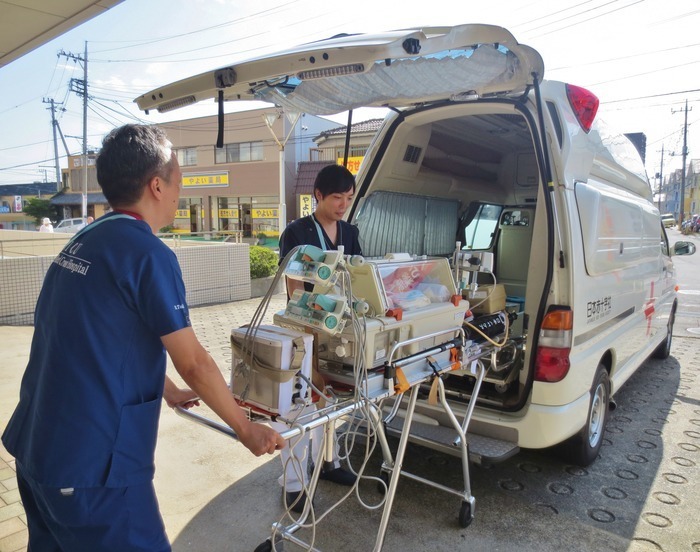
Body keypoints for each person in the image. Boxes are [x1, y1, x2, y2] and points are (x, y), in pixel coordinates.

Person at [2, 124, 285, 552]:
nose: (179, 193)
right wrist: (245, 428)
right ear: (157, 185)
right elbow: (194, 361)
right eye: (177, 181)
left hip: (38, 449)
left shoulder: (82, 242)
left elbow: (98, 337)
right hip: (94, 471)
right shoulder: (148, 254)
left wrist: (168, 391)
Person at [276, 164, 361, 512]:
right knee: (301, 403)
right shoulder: (296, 232)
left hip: (340, 329)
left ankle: (329, 462)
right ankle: (293, 483)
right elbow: (294, 292)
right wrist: (310, 348)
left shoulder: (351, 232)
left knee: (333, 401)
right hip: (303, 329)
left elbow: (357, 278)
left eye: (349, 198)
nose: (343, 205)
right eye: (338, 197)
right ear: (319, 196)